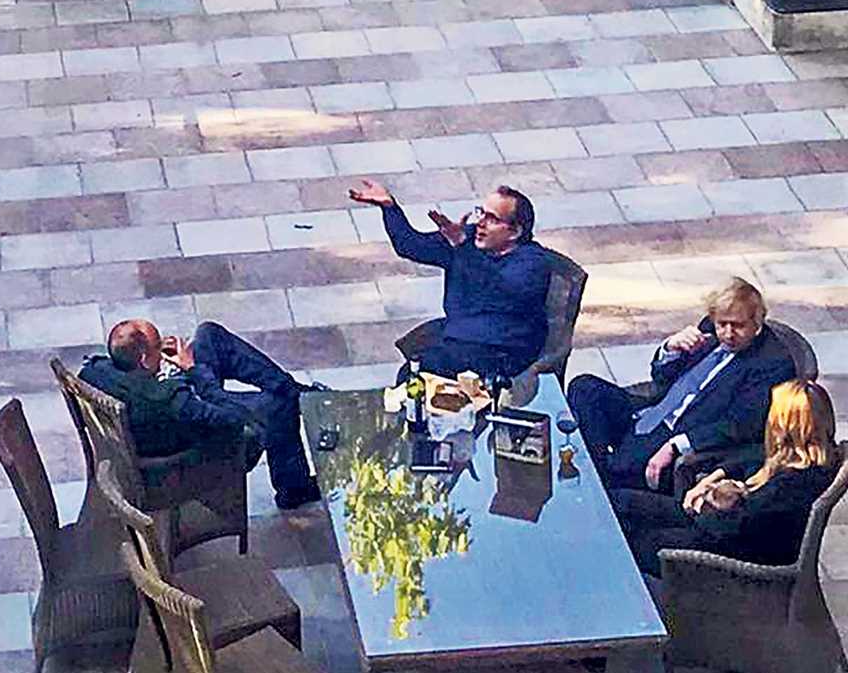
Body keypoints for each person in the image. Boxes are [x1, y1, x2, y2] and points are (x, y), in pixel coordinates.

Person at [567, 278, 797, 494]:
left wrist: (676, 445)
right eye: (722, 324)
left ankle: (602, 477)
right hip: (650, 411)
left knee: (620, 466)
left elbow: (740, 427)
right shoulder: (709, 329)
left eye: (737, 326)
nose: (727, 333)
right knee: (584, 388)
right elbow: (661, 378)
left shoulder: (772, 365)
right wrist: (670, 350)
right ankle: (597, 468)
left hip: (679, 431)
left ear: (757, 323)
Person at [79, 318, 323, 510]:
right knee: (278, 406)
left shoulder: (95, 372)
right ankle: (294, 488)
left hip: (177, 413)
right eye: (158, 346)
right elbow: (230, 417)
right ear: (143, 360)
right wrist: (193, 370)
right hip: (214, 442)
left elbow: (151, 387)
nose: (163, 347)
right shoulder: (172, 400)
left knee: (209, 334)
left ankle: (298, 392)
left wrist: (168, 366)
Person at [612, 380, 839, 575]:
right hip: (716, 523)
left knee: (637, 542)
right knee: (621, 502)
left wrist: (704, 503)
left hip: (730, 549)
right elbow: (749, 455)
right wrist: (712, 480)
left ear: (786, 426)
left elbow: (735, 525)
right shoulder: (795, 455)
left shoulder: (795, 484)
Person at [347, 181, 552, 381]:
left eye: (492, 219)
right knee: (413, 372)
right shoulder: (468, 238)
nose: (481, 223)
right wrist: (390, 207)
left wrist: (462, 246)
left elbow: (498, 289)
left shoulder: (533, 262)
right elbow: (411, 246)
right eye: (481, 212)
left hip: (503, 349)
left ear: (515, 232)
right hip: (464, 335)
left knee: (417, 375)